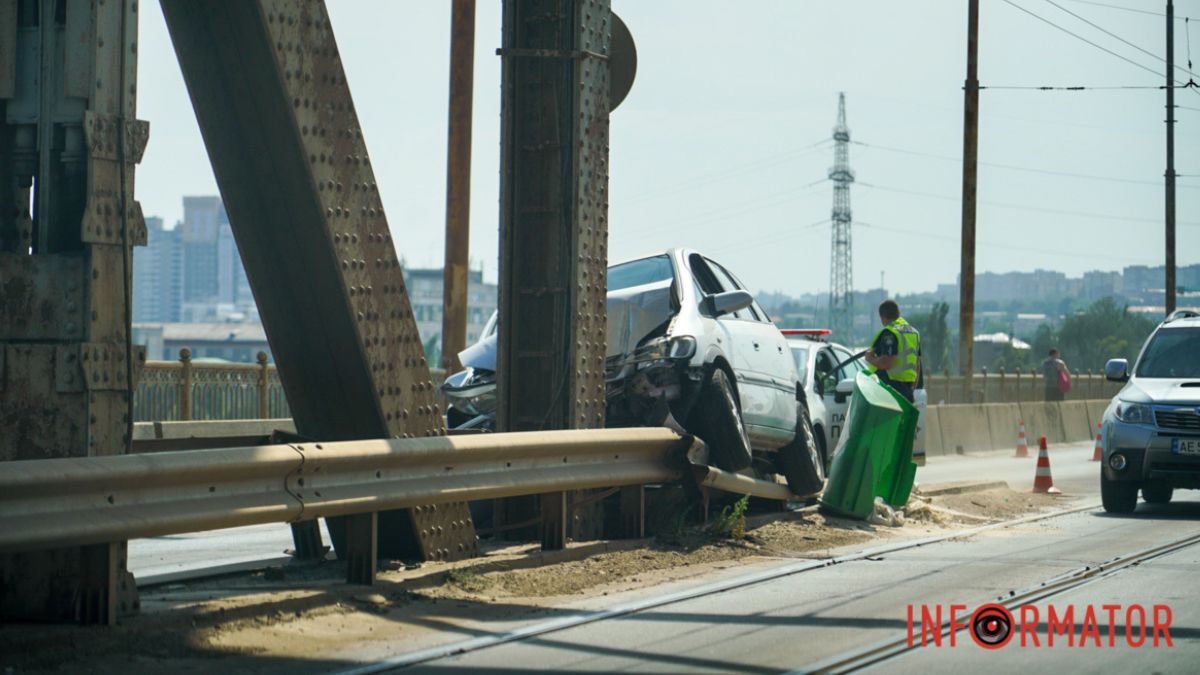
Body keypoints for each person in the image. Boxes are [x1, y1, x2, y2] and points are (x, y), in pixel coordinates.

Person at [864, 299, 921, 403]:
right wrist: (911, 389)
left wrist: (870, 358)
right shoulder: (913, 333)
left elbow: (887, 362)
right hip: (907, 390)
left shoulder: (890, 333)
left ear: (882, 317)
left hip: (890, 391)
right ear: (898, 314)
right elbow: (917, 365)